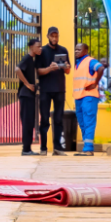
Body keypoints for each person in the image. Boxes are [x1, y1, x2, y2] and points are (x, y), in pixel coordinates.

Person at [36, 26, 71, 155]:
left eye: (56, 36)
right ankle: (43, 148)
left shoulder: (63, 50)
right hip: (45, 90)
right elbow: (38, 71)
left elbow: (68, 71)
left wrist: (66, 67)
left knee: (58, 119)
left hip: (60, 89)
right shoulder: (42, 51)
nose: (54, 38)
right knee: (45, 119)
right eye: (52, 36)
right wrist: (50, 68)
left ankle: (57, 147)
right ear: (48, 36)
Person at [72, 41, 105, 156]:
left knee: (88, 121)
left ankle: (88, 149)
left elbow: (101, 68)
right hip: (79, 97)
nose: (76, 51)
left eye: (79, 50)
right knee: (82, 122)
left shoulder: (90, 61)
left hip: (89, 96)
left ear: (85, 51)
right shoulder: (78, 63)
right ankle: (87, 147)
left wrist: (95, 83)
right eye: (75, 49)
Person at [17, 37, 42, 155]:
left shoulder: (32, 60)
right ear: (31, 47)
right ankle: (26, 149)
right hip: (26, 95)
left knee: (30, 122)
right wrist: (27, 84)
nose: (40, 48)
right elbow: (17, 69)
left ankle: (28, 148)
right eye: (38, 46)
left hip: (30, 96)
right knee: (27, 122)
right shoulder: (27, 58)